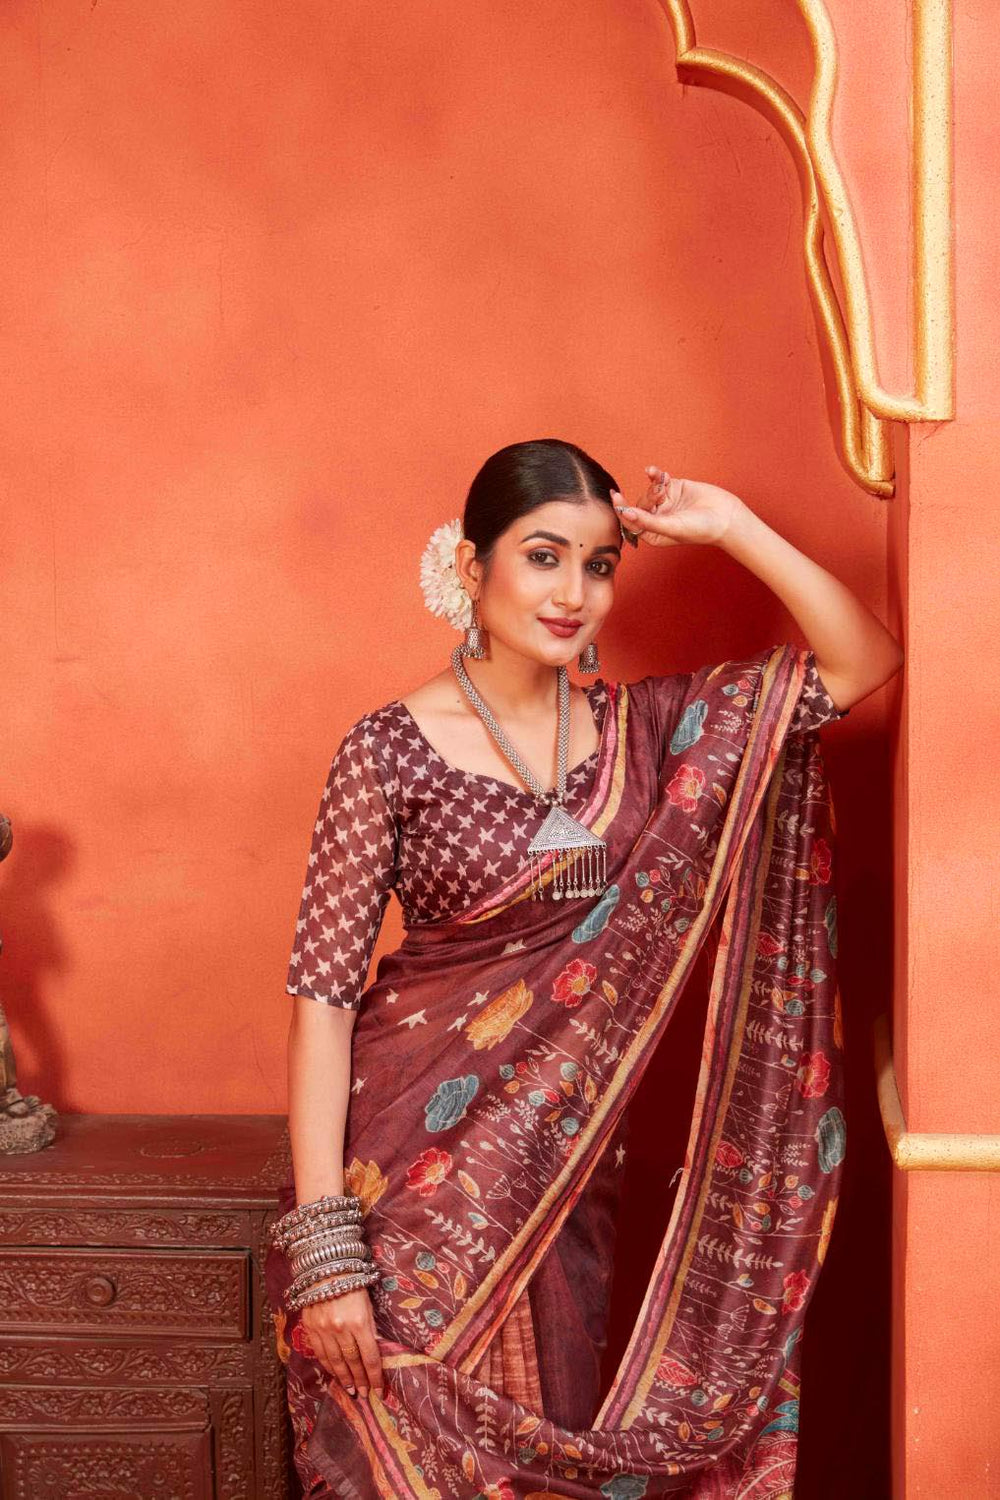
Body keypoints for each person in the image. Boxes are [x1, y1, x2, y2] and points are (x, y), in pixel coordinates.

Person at [264, 438, 903, 1499]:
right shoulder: (384, 752)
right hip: (399, 1186)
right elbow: (323, 1007)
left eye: (599, 565)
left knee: (538, 1456)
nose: (572, 594)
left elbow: (860, 664)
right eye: (542, 557)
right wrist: (329, 1253)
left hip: (560, 1188)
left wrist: (731, 524)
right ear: (471, 568)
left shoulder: (648, 734)